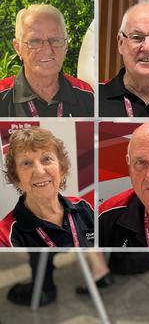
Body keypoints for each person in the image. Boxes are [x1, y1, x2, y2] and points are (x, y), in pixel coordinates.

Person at [0, 127, 94, 306]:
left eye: (47, 159)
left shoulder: (84, 208)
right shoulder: (6, 235)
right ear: (16, 178)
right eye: (26, 163)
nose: (40, 171)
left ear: (62, 168)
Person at [0, 4, 94, 117]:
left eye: (55, 40)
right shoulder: (2, 98)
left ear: (66, 45)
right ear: (18, 47)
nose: (47, 50)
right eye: (34, 41)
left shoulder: (88, 96)